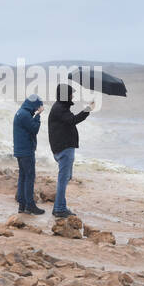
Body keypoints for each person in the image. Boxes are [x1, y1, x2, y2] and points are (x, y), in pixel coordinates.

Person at [47, 82, 94, 218]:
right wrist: (88, 109)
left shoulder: (61, 107)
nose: (73, 96)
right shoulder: (60, 109)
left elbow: (70, 121)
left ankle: (60, 206)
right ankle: (59, 209)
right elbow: (73, 120)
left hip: (63, 148)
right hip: (64, 148)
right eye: (70, 93)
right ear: (65, 95)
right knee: (63, 179)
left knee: (67, 177)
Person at [12, 94, 45, 214]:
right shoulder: (25, 115)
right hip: (26, 151)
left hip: (20, 150)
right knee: (29, 177)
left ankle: (22, 205)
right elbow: (34, 129)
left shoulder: (21, 112)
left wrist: (35, 114)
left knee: (23, 176)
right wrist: (38, 115)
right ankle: (30, 205)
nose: (37, 109)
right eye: (37, 106)